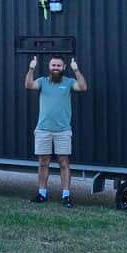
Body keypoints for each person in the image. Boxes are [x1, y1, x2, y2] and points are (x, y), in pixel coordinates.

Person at [24, 54, 88, 206]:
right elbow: (28, 85)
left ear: (64, 67)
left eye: (58, 66)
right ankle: (42, 194)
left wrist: (76, 70)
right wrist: (31, 68)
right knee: (43, 162)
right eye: (53, 65)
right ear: (49, 67)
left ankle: (66, 196)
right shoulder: (42, 81)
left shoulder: (68, 82)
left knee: (64, 162)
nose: (55, 68)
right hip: (43, 130)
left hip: (63, 130)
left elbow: (83, 87)